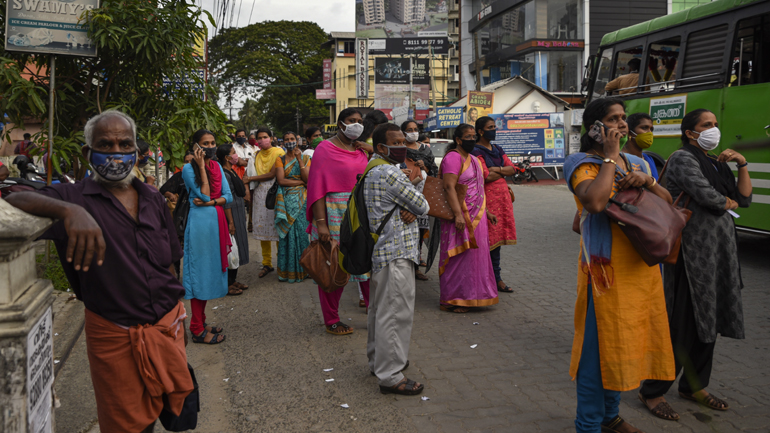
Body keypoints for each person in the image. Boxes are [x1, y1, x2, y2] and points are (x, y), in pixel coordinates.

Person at [6, 110, 193, 433]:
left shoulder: (152, 197)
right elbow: (11, 194)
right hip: (116, 335)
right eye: (106, 144)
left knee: (175, 411)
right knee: (128, 425)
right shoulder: (72, 197)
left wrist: (180, 319)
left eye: (125, 144)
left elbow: (169, 263)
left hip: (167, 327)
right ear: (88, 152)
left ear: (137, 151)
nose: (117, 153)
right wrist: (68, 210)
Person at [563, 97, 675, 433]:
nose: (622, 125)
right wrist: (611, 157)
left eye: (624, 118)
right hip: (605, 275)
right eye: (613, 119)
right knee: (598, 356)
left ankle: (610, 416)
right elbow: (595, 202)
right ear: (595, 128)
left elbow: (667, 204)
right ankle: (589, 425)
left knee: (626, 345)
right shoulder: (579, 163)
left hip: (642, 270)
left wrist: (648, 182)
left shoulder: (635, 162)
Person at [638, 109, 752, 420]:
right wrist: (722, 201)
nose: (714, 129)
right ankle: (653, 390)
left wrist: (741, 163)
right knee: (682, 324)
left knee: (710, 322)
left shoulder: (716, 162)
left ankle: (694, 385)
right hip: (691, 256)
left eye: (715, 125)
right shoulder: (682, 158)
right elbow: (711, 198)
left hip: (719, 255)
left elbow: (743, 199)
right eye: (707, 125)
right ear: (690, 132)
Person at [364, 123, 429, 396]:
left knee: (379, 311)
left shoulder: (372, 168)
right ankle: (390, 375)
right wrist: (411, 203)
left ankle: (378, 361)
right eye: (398, 141)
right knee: (395, 314)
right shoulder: (390, 173)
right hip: (397, 251)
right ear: (381, 147)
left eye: (405, 140)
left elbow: (409, 204)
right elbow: (422, 205)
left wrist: (408, 204)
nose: (404, 145)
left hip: (383, 251)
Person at [306, 108, 373, 335]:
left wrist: (371, 150)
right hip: (332, 211)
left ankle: (375, 315)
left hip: (359, 211)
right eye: (351, 121)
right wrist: (321, 223)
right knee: (334, 266)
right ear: (340, 123)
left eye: (360, 121)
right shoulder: (324, 148)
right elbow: (316, 186)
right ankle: (332, 320)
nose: (356, 124)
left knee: (366, 265)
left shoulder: (361, 149)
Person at [438, 124, 499, 313]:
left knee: (475, 257)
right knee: (458, 257)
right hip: (460, 215)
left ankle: (475, 295)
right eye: (468, 136)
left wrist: (487, 211)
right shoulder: (452, 158)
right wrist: (457, 215)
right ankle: (455, 298)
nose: (472, 140)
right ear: (458, 140)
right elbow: (449, 187)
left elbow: (479, 188)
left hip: (477, 216)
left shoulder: (473, 159)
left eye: (474, 136)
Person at [183, 129, 233, 343]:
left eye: (213, 142)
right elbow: (203, 193)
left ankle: (200, 321)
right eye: (205, 143)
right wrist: (202, 168)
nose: (210, 147)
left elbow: (228, 197)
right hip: (200, 226)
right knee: (199, 274)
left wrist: (212, 202)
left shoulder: (218, 166)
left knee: (209, 271)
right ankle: (195, 328)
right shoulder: (188, 169)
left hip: (215, 220)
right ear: (196, 146)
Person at [472, 116, 518, 293]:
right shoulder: (476, 151)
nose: (494, 129)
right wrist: (501, 171)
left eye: (495, 126)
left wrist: (496, 169)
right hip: (487, 200)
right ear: (481, 131)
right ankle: (487, 278)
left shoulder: (497, 149)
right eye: (490, 127)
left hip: (502, 199)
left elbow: (513, 169)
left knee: (497, 241)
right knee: (486, 239)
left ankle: (497, 278)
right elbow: (485, 176)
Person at [243, 127, 284, 278]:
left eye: (265, 137)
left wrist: (251, 179)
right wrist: (248, 188)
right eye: (259, 138)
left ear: (271, 138)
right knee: (263, 229)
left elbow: (273, 173)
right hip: (260, 194)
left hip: (274, 192)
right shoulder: (256, 154)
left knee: (277, 227)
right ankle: (267, 263)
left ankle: (282, 262)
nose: (262, 140)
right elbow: (247, 173)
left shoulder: (279, 152)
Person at [401, 119, 436, 281]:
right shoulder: (399, 148)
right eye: (409, 129)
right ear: (403, 132)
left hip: (422, 193)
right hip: (403, 193)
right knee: (404, 230)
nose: (413, 132)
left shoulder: (425, 150)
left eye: (415, 129)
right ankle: (403, 267)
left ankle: (415, 267)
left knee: (419, 233)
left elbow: (434, 171)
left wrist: (425, 166)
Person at [274, 132, 311, 282]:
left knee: (302, 233)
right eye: (287, 139)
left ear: (297, 141)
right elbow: (281, 181)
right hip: (286, 199)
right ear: (283, 142)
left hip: (302, 200)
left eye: (292, 139)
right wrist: (301, 183)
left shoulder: (306, 158)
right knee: (287, 235)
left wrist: (299, 161)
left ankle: (305, 269)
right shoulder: (280, 159)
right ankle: (287, 271)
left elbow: (308, 179)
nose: (290, 142)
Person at [217, 144, 250, 294]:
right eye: (233, 153)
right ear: (227, 158)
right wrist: (230, 221)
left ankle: (233, 280)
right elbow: (227, 199)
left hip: (238, 210)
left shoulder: (232, 171)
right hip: (231, 213)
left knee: (238, 247)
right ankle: (227, 284)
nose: (236, 155)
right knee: (232, 248)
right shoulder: (224, 174)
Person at [622, 113, 659, 180]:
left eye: (651, 129)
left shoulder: (648, 159)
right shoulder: (620, 158)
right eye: (644, 128)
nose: (649, 132)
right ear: (630, 133)